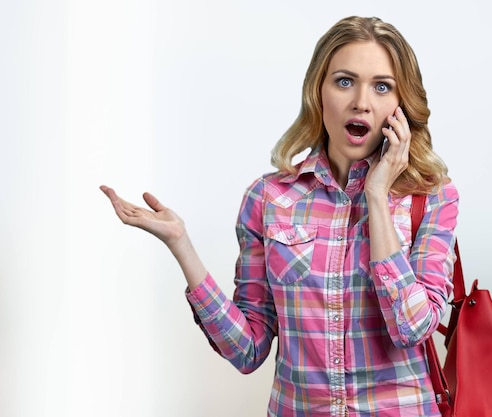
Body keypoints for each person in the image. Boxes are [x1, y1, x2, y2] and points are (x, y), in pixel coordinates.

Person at [101, 16, 458, 417]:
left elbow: (411, 329)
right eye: (344, 81)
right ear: (317, 92)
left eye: (381, 86)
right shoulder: (268, 198)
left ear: (399, 104)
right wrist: (181, 245)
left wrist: (377, 196)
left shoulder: (431, 198)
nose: (361, 101)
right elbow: (247, 351)